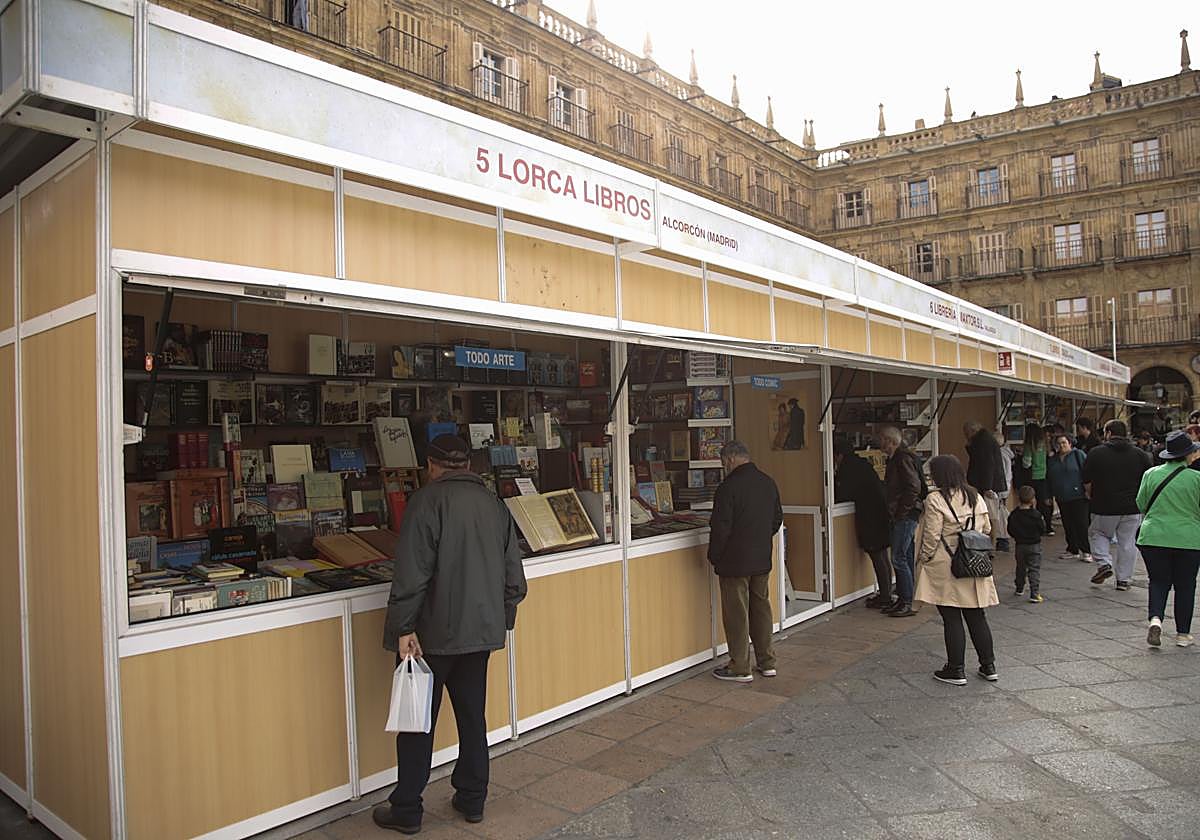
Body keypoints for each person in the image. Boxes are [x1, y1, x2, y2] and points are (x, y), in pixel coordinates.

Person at [376, 435, 528, 834]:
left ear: (431, 465)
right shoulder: (494, 505)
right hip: (479, 633)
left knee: (416, 723)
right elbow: (515, 578)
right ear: (467, 464)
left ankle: (407, 807)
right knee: (472, 719)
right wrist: (502, 618)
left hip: (430, 636)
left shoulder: (426, 503)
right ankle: (472, 799)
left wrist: (403, 628)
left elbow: (412, 573)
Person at [914, 454, 998, 685]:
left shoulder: (935, 499)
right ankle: (988, 665)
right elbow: (987, 527)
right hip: (974, 560)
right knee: (977, 615)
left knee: (951, 617)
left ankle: (955, 669)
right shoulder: (975, 496)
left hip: (946, 562)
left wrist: (924, 558)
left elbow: (931, 535)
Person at [708, 440, 783, 682]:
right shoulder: (767, 482)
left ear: (729, 459)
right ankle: (767, 661)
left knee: (737, 613)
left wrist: (715, 555)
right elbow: (776, 519)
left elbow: (721, 528)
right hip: (761, 557)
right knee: (761, 608)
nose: (723, 467)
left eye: (723, 462)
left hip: (734, 561)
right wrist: (760, 539)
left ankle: (740, 665)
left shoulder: (728, 487)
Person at [1136, 430, 1200, 647]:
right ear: (1187, 455)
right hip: (1188, 538)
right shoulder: (1196, 478)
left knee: (1158, 581)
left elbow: (1141, 504)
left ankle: (1155, 619)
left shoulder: (1150, 474)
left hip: (1153, 536)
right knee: (1185, 585)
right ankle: (1183, 634)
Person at [1083, 419, 1153, 592]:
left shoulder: (1096, 453)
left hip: (1103, 505)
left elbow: (1086, 480)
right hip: (1132, 507)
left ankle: (1104, 563)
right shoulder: (1140, 454)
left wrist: (1091, 495)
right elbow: (1148, 480)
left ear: (1108, 433)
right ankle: (1124, 579)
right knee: (1128, 542)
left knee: (1098, 533)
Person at [834, 437, 892, 608]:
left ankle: (885, 597)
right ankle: (886, 592)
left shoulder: (848, 468)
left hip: (870, 517)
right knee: (882, 555)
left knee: (877, 555)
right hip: (879, 513)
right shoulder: (863, 464)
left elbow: (845, 492)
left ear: (838, 455)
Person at [880, 426, 923, 617]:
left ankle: (906, 600)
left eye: (882, 439)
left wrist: (900, 512)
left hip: (905, 515)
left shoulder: (901, 459)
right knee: (904, 555)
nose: (879, 443)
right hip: (907, 513)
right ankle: (905, 598)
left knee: (899, 557)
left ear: (890, 441)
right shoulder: (900, 458)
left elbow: (913, 487)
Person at [964, 420, 1006, 552]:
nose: (965, 436)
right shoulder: (983, 440)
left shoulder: (984, 442)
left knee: (991, 515)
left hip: (987, 486)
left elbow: (988, 464)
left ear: (972, 431)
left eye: (966, 433)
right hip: (986, 484)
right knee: (989, 514)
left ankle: (991, 545)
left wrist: (987, 487)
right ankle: (990, 543)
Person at [1047, 434, 1091, 562]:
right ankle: (1072, 548)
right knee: (1068, 523)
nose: (1061, 446)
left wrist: (1089, 490)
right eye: (1059, 443)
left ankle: (1086, 551)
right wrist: (1049, 495)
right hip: (1062, 496)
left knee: (1081, 523)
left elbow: (1087, 472)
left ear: (1070, 443)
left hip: (1078, 495)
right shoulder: (1053, 459)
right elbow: (1049, 478)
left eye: (1064, 443)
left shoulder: (1078, 455)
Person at [1008, 485, 1046, 602]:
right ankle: (1034, 593)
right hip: (1034, 545)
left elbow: (1010, 529)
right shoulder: (1036, 515)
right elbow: (1042, 529)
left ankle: (1019, 588)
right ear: (1033, 499)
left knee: (1020, 567)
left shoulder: (1014, 514)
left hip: (1020, 545)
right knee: (1034, 569)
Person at [1021, 422, 1053, 535]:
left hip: (1032, 477)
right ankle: (1048, 526)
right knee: (1044, 502)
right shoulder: (1044, 444)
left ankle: (1035, 526)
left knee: (1031, 501)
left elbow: (1026, 463)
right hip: (1044, 475)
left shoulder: (1030, 445)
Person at [995, 430, 1015, 552]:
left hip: (1001, 487)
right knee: (1002, 511)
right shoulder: (1007, 453)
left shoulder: (1000, 455)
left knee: (1000, 513)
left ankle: (1003, 537)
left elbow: (1000, 472)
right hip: (1005, 485)